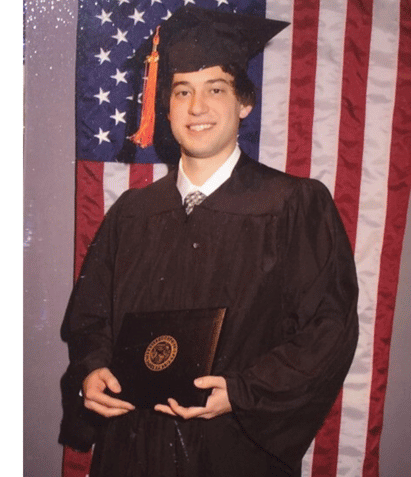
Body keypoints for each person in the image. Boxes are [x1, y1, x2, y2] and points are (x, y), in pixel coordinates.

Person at [59, 6, 359, 477]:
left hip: (235, 449)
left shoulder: (294, 205)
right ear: (166, 106)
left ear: (245, 103)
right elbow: (90, 321)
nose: (197, 108)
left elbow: (328, 329)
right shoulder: (132, 214)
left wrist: (242, 392)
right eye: (182, 91)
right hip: (133, 448)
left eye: (215, 89)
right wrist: (92, 370)